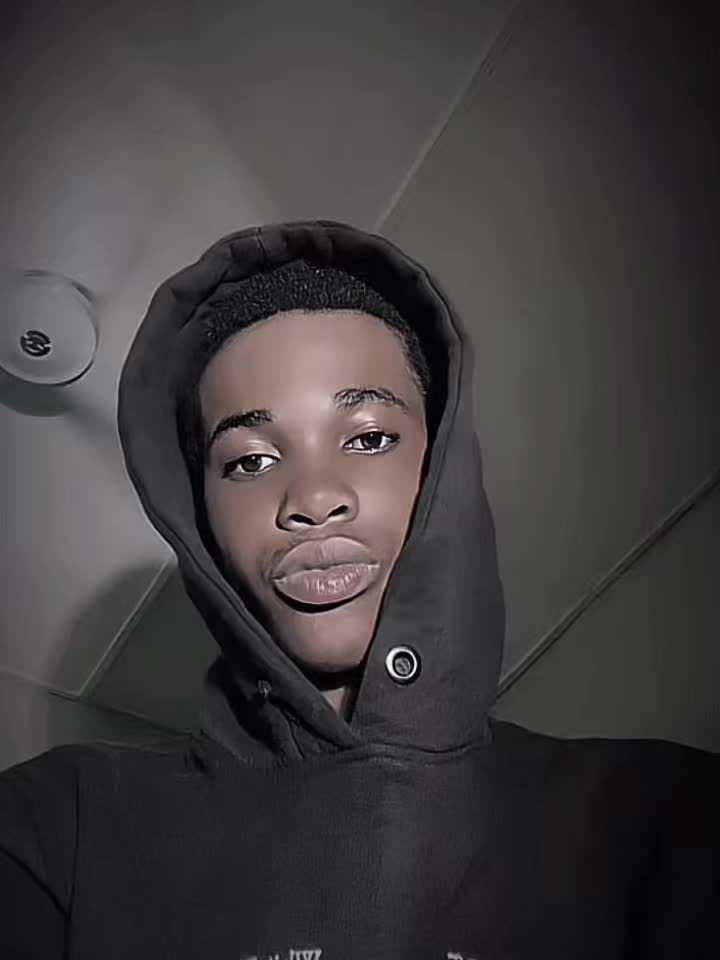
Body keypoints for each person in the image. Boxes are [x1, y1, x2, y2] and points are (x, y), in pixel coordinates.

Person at [0, 219, 718, 959]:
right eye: (250, 461)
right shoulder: (58, 829)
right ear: (198, 518)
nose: (312, 498)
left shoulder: (668, 821)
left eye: (369, 437)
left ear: (442, 469)